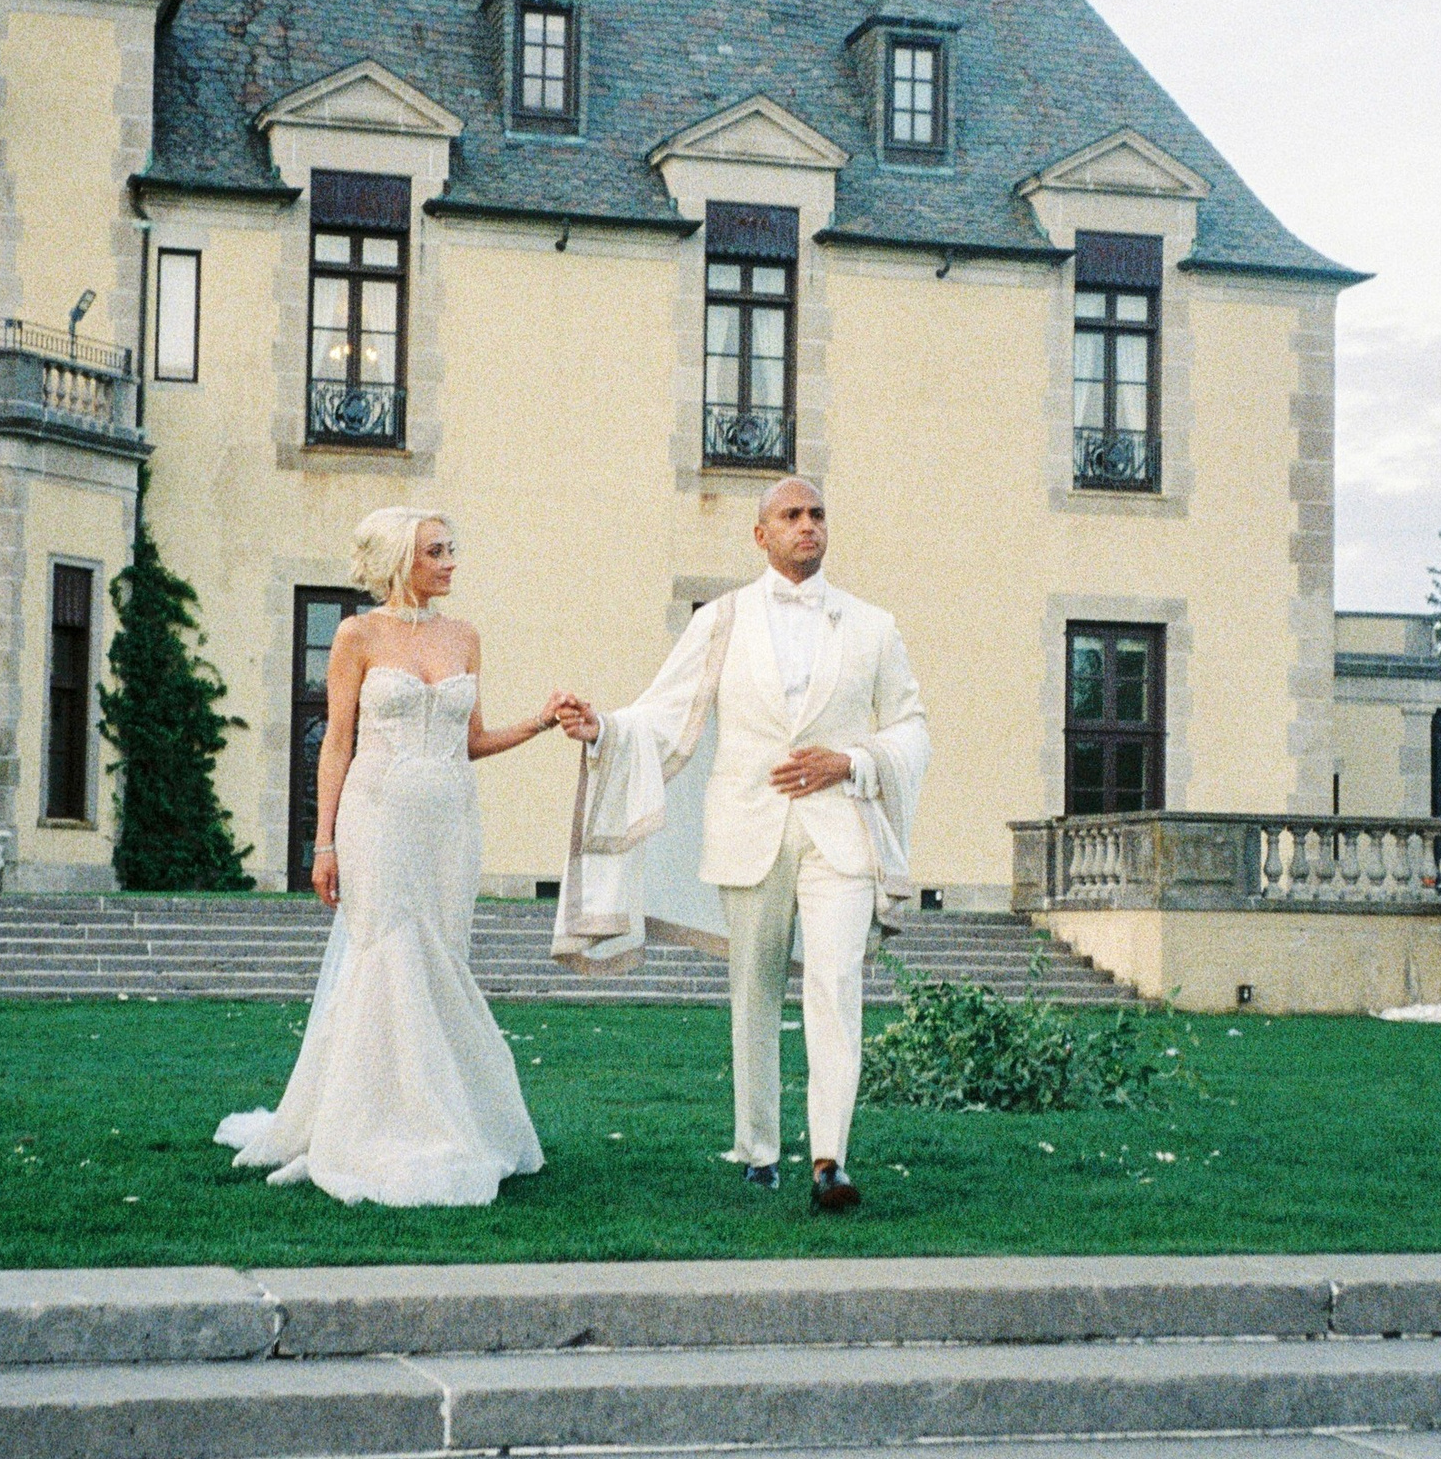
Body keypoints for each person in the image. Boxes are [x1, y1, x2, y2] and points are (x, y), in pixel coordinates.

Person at [555, 476, 928, 1211]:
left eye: (818, 514)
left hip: (841, 835)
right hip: (749, 830)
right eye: (791, 516)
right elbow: (666, 711)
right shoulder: (721, 620)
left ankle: (830, 1160)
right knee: (752, 994)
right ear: (761, 535)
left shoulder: (873, 627)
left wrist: (850, 762)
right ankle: (758, 1150)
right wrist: (605, 730)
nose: (808, 527)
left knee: (835, 987)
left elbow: (910, 729)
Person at [215, 508, 585, 1207]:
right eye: (436, 552)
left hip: (450, 821)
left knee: (442, 958)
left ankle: (448, 1115)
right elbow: (336, 743)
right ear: (398, 560)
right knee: (387, 955)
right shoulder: (356, 635)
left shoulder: (465, 637)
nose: (450, 563)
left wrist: (540, 722)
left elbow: (469, 740)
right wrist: (322, 842)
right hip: (375, 815)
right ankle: (369, 1124)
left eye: (452, 550)